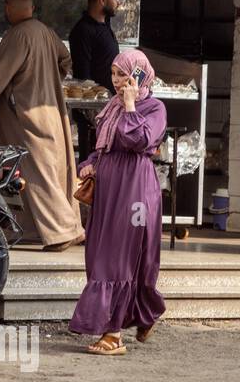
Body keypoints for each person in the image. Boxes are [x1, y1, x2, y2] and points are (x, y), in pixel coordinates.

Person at [0, 0, 84, 251]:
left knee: (37, 172)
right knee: (56, 169)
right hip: (50, 111)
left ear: (8, 7)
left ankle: (60, 232)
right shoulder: (46, 32)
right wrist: (48, 81)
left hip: (26, 116)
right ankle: (62, 228)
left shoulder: (17, 35)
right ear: (32, 7)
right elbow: (66, 59)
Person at [70, 50, 167, 354]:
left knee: (116, 258)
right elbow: (106, 146)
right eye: (114, 74)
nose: (117, 81)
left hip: (134, 192)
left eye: (124, 74)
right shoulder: (111, 106)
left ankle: (113, 334)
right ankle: (143, 313)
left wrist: (129, 104)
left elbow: (139, 141)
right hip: (109, 190)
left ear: (140, 75)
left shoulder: (154, 107)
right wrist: (89, 162)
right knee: (99, 253)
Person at [68, 0, 120, 157]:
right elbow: (83, 80)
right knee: (92, 170)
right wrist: (95, 117)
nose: (118, 2)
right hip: (95, 118)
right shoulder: (82, 31)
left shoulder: (105, 27)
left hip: (111, 111)